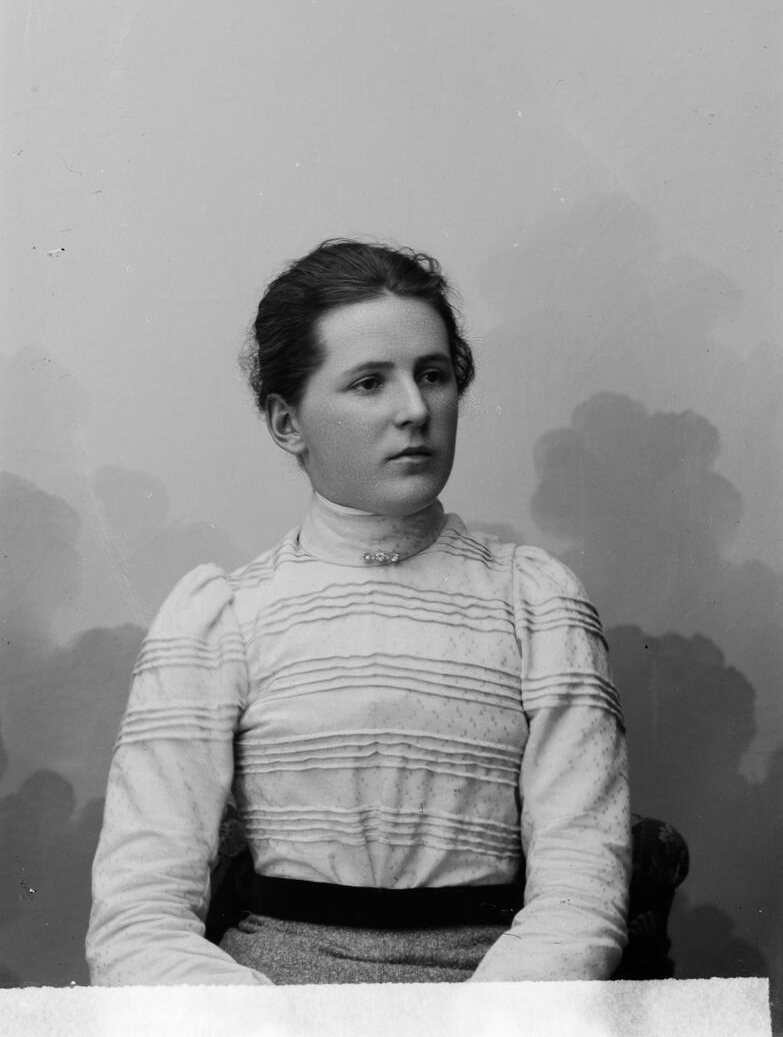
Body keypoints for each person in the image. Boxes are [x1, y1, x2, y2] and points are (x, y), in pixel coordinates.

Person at [87, 239, 630, 985]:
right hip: (272, 1001)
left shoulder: (535, 602)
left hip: (493, 994)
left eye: (433, 375)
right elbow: (137, 914)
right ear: (287, 423)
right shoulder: (224, 616)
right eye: (370, 383)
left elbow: (582, 891)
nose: (415, 410)